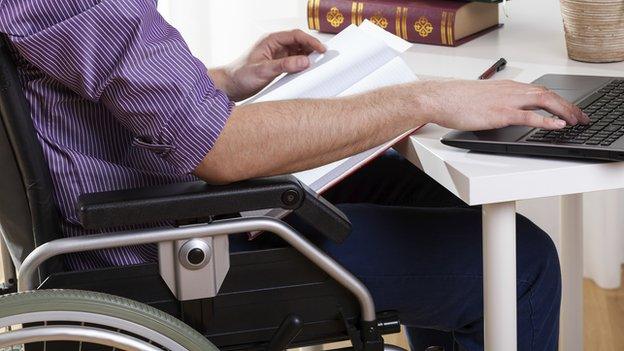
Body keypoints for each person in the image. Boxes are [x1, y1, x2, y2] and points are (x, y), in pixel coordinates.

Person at [0, 1, 587, 350]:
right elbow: (223, 150)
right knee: (517, 263)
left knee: (434, 199)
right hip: (166, 256)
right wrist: (422, 100)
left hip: (154, 211)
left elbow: (80, 90)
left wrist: (224, 79)